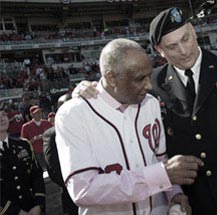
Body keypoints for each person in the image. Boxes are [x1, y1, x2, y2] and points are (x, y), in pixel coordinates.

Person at [74, 7, 217, 215]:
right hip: (195, 201)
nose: (183, 50)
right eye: (172, 46)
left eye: (186, 38)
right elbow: (116, 91)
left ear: (194, 31)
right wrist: (91, 90)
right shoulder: (150, 83)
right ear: (159, 50)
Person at [55, 38, 203, 215]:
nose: (149, 85)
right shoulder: (73, 114)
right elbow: (83, 190)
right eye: (140, 79)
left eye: (149, 76)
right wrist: (160, 176)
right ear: (111, 78)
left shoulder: (151, 104)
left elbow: (159, 160)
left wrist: (174, 193)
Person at [0, 102, 45, 215]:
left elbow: (36, 175)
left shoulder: (23, 145)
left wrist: (38, 205)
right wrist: (16, 212)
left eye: (4, 115)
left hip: (32, 209)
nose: (2, 118)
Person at [43, 93, 78, 215]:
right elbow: (53, 170)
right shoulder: (52, 135)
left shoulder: (88, 128)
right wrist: (75, 184)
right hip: (71, 194)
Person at [21, 105, 53, 171]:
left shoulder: (47, 123)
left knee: (52, 169)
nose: (39, 114)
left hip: (48, 150)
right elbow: (24, 144)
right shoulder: (26, 127)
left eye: (40, 112)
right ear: (31, 114)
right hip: (37, 153)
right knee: (43, 170)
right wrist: (34, 139)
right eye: (36, 113)